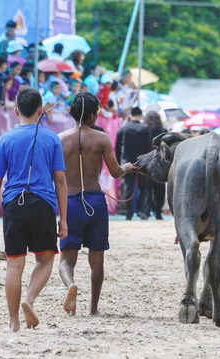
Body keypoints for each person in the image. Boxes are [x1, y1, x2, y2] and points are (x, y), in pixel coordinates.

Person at [0, 87, 68, 332]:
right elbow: (60, 180)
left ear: (16, 110)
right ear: (41, 111)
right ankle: (29, 299)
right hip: (43, 204)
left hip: (13, 204)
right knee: (44, 260)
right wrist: (63, 218)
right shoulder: (52, 138)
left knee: (13, 265)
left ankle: (13, 322)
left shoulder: (5, 139)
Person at [58, 93, 135, 316]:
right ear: (93, 115)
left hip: (71, 202)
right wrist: (128, 167)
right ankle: (93, 308)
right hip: (95, 201)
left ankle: (70, 285)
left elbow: (56, 176)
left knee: (66, 259)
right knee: (97, 258)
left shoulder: (60, 139)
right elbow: (115, 172)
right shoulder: (101, 140)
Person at [116, 107, 152, 220]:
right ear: (140, 115)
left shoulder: (123, 128)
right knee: (144, 188)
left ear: (131, 115)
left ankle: (129, 214)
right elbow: (149, 147)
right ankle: (142, 211)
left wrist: (119, 162)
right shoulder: (145, 128)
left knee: (128, 188)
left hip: (127, 163)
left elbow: (117, 148)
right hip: (142, 163)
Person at [145, 111, 167, 220]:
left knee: (148, 189)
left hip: (147, 163)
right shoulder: (163, 131)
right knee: (160, 189)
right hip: (160, 163)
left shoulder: (145, 130)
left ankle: (147, 211)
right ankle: (158, 212)